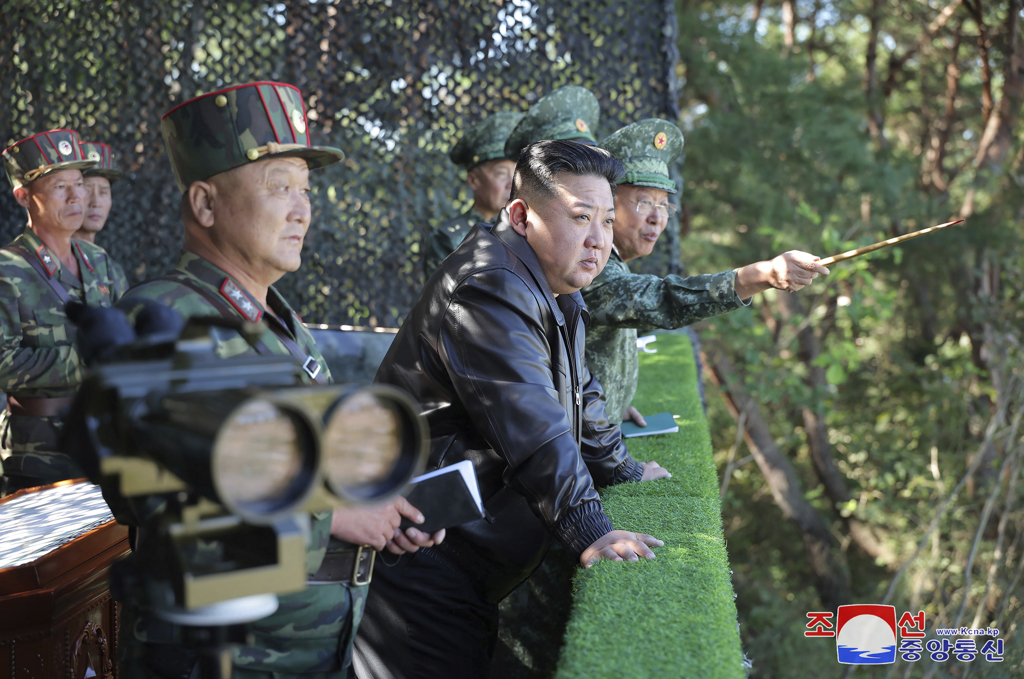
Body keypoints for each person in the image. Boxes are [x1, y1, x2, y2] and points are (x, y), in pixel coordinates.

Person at [115, 81, 443, 679]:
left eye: (305, 189)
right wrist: (334, 517)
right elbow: (149, 492)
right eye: (278, 187)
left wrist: (377, 503)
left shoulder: (280, 324)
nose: (302, 209)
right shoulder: (160, 318)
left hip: (309, 650)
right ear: (205, 205)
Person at [354, 140, 670, 679]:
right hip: (421, 556)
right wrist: (590, 528)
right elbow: (533, 423)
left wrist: (621, 468)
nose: (599, 239)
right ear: (521, 216)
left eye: (605, 220)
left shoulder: (549, 281)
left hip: (460, 559)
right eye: (580, 217)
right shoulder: (491, 284)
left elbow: (580, 391)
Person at [584, 119, 830, 425]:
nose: (657, 218)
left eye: (664, 205)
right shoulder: (591, 266)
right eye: (644, 201)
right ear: (607, 203)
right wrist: (762, 275)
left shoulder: (610, 260)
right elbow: (661, 300)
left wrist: (612, 404)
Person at [0, 129, 128, 494]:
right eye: (60, 187)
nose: (77, 197)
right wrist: (84, 361)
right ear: (24, 196)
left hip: (108, 445)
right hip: (39, 457)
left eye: (79, 184)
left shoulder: (99, 261)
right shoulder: (7, 270)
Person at [424, 111, 522, 273]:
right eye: (501, 173)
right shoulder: (450, 240)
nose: (512, 184)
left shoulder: (533, 230)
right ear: (474, 181)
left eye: (518, 173)